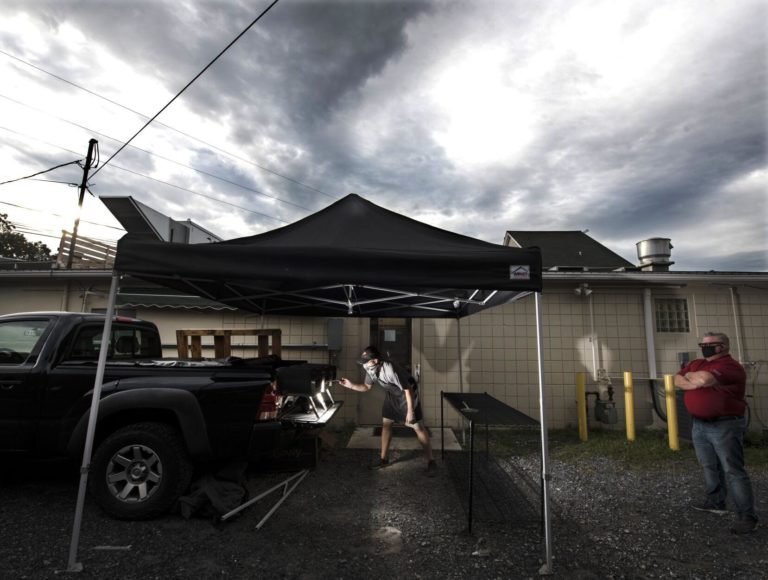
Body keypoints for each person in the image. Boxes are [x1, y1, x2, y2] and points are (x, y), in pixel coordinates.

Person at [674, 332, 758, 534]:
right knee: (709, 465)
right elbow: (676, 379)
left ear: (723, 347)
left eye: (710, 344)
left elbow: (703, 380)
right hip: (700, 425)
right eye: (702, 344)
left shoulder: (730, 367)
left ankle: (747, 517)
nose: (705, 347)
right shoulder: (698, 363)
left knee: (733, 470)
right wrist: (692, 379)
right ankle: (716, 502)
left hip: (725, 425)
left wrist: (692, 378)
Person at [339, 346, 436, 476]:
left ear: (375, 361)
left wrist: (410, 411)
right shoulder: (371, 369)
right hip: (392, 394)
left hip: (408, 393)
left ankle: (431, 461)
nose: (364, 365)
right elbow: (366, 387)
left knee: (417, 426)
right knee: (386, 424)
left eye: (366, 362)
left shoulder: (390, 368)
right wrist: (350, 385)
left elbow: (408, 390)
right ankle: (383, 459)